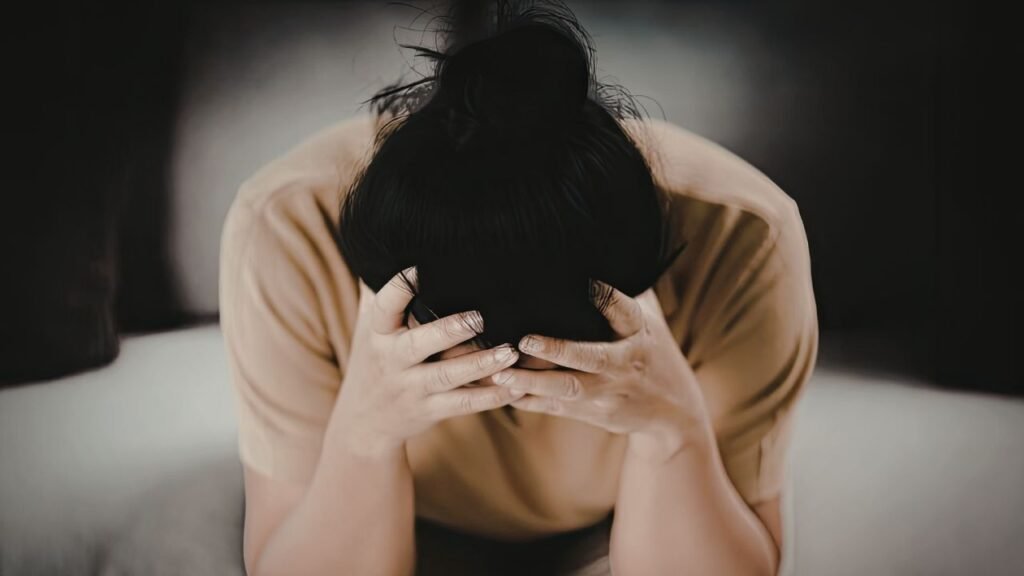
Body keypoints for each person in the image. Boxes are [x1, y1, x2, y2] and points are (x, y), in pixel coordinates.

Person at [218, 1, 819, 574]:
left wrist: (672, 428)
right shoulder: (286, 226)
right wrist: (364, 432)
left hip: (629, 526)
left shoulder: (745, 235)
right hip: (391, 524)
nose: (507, 388)